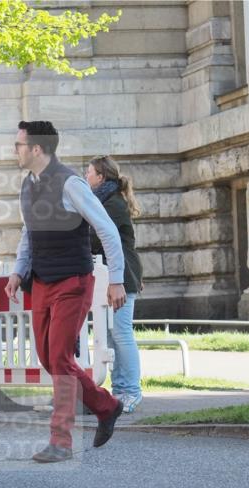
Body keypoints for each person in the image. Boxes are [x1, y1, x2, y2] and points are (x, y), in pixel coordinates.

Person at [4, 121, 127, 463]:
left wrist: (116, 279)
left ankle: (61, 440)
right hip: (41, 280)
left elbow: (106, 229)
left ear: (37, 149)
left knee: (59, 357)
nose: (15, 149)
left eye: (19, 144)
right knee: (48, 357)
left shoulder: (70, 183)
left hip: (73, 280)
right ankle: (107, 405)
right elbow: (29, 233)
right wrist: (18, 270)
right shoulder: (27, 186)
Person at [86, 155, 144, 412]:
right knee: (111, 335)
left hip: (122, 278)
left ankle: (130, 391)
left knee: (121, 334)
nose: (86, 177)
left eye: (89, 173)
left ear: (101, 177)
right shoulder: (104, 201)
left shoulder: (112, 204)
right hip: (114, 277)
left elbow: (99, 239)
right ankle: (120, 390)